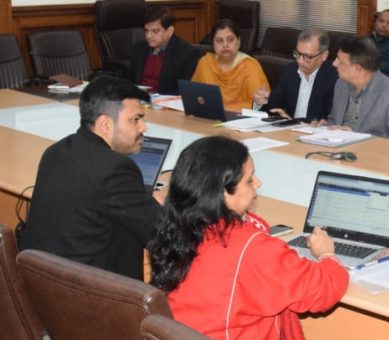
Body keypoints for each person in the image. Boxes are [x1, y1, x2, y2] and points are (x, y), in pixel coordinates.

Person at [148, 136, 357, 340]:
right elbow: (322, 290)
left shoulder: (175, 229)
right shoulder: (250, 248)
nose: (257, 183)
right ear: (223, 192)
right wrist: (327, 255)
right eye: (249, 180)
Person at [19, 76, 161, 281]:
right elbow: (161, 232)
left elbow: (95, 193)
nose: (143, 127)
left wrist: (143, 198)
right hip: (88, 291)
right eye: (136, 119)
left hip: (40, 281)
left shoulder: (55, 151)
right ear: (105, 124)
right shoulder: (116, 168)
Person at [321, 36, 389, 142]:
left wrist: (356, 137)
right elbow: (334, 120)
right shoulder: (341, 84)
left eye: (340, 61)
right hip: (336, 148)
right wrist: (323, 127)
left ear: (357, 68)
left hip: (372, 151)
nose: (334, 63)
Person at [253, 28, 337, 121]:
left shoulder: (335, 78)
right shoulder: (290, 71)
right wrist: (260, 102)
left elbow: (331, 119)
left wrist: (294, 122)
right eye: (298, 53)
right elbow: (273, 107)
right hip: (289, 128)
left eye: (307, 56)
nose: (300, 60)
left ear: (324, 55)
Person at [191, 19, 270, 111]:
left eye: (230, 40)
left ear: (239, 42)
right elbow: (193, 94)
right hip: (208, 115)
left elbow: (258, 104)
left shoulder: (249, 66)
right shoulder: (205, 62)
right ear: (213, 43)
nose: (225, 45)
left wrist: (224, 108)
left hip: (241, 117)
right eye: (219, 40)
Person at [128, 6, 200, 95]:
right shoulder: (138, 48)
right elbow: (130, 82)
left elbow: (185, 90)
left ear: (170, 31)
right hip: (138, 98)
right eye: (146, 30)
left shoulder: (187, 53)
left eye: (155, 31)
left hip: (166, 101)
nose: (148, 36)